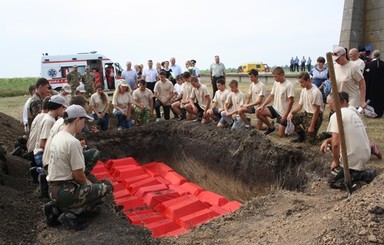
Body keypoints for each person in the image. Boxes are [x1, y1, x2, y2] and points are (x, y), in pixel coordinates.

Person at [45, 105, 113, 230]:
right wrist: (90, 187)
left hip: (53, 189)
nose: (84, 124)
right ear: (77, 120)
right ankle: (72, 214)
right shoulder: (72, 142)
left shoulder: (58, 136)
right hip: (65, 191)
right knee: (106, 188)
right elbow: (79, 175)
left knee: (91, 191)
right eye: (84, 121)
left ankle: (56, 208)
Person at [320, 92, 376, 190]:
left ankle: (364, 176)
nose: (328, 106)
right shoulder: (353, 112)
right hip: (365, 153)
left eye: (330, 103)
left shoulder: (337, 115)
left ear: (337, 102)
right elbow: (342, 136)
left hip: (353, 157)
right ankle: (356, 172)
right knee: (331, 146)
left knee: (333, 181)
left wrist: (336, 161)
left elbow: (336, 144)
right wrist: (327, 141)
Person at [33, 95, 67, 198]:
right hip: (41, 153)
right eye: (62, 108)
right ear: (58, 107)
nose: (63, 110)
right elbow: (43, 143)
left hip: (40, 153)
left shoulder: (48, 118)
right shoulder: (49, 121)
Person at [257, 66, 295, 137]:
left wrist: (286, 115)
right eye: (274, 77)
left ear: (281, 75)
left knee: (281, 135)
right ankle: (271, 127)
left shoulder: (289, 85)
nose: (274, 79)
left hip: (283, 113)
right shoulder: (276, 83)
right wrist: (262, 106)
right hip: (275, 109)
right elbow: (271, 95)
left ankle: (294, 127)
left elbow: (291, 101)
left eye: (276, 77)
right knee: (258, 111)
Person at [288, 72, 323, 143]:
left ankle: (325, 134)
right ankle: (301, 135)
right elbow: (300, 106)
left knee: (310, 142)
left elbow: (316, 110)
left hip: (315, 116)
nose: (301, 84)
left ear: (308, 80)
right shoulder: (304, 91)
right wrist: (291, 113)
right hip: (306, 114)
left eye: (302, 82)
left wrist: (312, 126)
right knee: (290, 118)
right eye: (300, 83)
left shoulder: (315, 92)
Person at [364, 50, 384, 117]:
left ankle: (370, 113)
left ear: (373, 55)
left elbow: (365, 77)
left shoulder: (368, 65)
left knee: (371, 99)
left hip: (371, 86)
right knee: (380, 98)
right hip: (381, 86)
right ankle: (379, 112)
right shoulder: (383, 64)